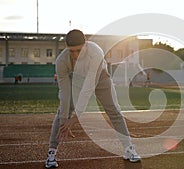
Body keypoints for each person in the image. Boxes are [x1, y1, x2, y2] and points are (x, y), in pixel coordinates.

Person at [45, 29, 141, 168]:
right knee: (62, 112)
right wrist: (65, 119)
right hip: (77, 79)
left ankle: (129, 149)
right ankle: (51, 153)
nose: (75, 55)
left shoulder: (96, 53)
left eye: (78, 50)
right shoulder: (61, 61)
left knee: (114, 110)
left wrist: (76, 117)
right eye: (71, 51)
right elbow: (64, 93)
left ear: (86, 45)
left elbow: (88, 88)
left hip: (100, 77)